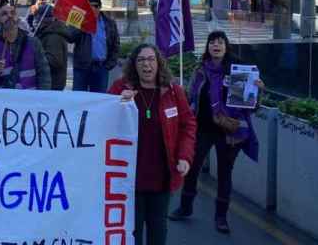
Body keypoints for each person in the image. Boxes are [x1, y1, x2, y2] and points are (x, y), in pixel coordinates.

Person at [170, 31, 264, 234]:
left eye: (220, 42)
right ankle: (185, 208)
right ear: (208, 47)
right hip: (201, 128)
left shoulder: (237, 72)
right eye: (213, 42)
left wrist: (257, 91)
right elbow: (191, 98)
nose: (216, 45)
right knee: (191, 169)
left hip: (229, 132)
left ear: (226, 47)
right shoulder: (200, 70)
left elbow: (251, 107)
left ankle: (221, 217)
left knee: (224, 174)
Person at [110, 44, 196, 245]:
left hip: (162, 177)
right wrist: (119, 104)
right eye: (141, 60)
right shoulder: (120, 88)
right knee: (132, 233)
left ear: (158, 63)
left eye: (150, 59)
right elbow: (104, 120)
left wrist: (185, 157)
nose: (146, 64)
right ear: (134, 64)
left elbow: (188, 125)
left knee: (158, 231)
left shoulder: (174, 91)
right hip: (130, 180)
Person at [0, 3, 51, 90]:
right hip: (1, 101)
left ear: (18, 18)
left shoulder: (33, 42)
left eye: (12, 13)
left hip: (30, 99)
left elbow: (44, 73)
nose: (9, 16)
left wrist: (43, 97)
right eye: (4, 14)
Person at [68, 0, 119, 92]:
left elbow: (115, 45)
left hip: (101, 68)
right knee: (78, 99)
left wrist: (109, 65)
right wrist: (82, 24)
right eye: (89, 6)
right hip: (82, 67)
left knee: (98, 101)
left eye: (95, 6)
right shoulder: (79, 19)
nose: (92, 9)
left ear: (100, 7)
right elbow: (70, 37)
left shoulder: (109, 23)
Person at [35, 7, 73, 91]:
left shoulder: (53, 36)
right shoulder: (46, 33)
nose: (36, 20)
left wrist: (35, 56)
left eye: (37, 17)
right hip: (49, 82)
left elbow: (55, 61)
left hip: (52, 83)